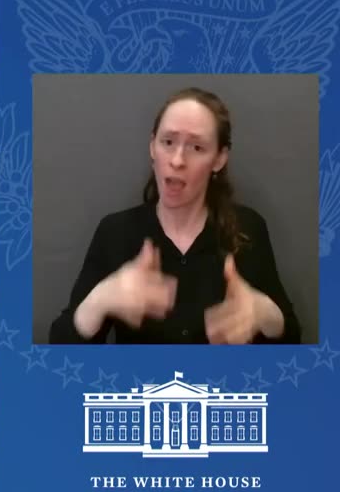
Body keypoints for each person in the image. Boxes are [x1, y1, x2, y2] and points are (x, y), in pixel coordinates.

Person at [49, 87, 300, 344]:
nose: (177, 160)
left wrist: (266, 314)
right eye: (168, 142)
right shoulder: (116, 232)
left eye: (197, 147)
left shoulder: (248, 228)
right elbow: (59, 349)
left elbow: (292, 341)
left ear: (219, 159)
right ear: (152, 147)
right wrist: (99, 301)